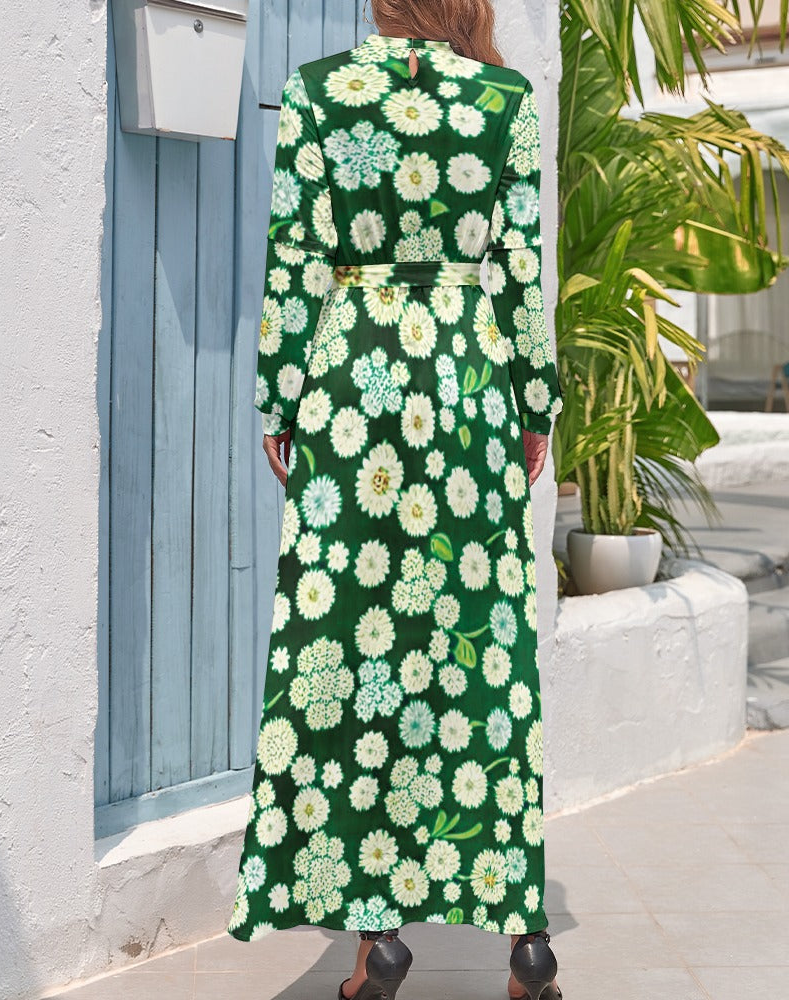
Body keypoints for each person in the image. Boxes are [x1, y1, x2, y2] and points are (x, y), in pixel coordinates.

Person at [227, 1, 564, 998]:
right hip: (468, 380)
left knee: (353, 648)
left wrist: (280, 395)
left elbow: (294, 257)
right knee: (486, 646)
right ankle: (526, 939)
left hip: (352, 385)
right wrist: (533, 402)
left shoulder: (321, 91)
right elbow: (519, 267)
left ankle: (380, 938)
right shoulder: (504, 97)